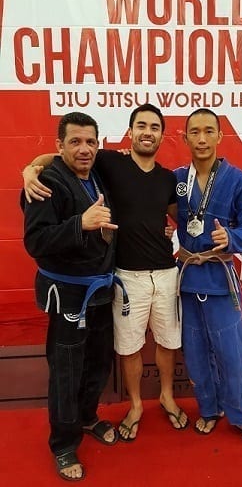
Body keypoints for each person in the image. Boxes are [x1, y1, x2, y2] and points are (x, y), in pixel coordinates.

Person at [22, 103, 189, 443]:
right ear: (129, 131)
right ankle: (92, 429)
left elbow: (173, 215)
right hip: (100, 285)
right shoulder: (90, 168)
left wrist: (170, 232)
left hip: (135, 279)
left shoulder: (154, 176)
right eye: (141, 125)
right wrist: (29, 170)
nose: (84, 149)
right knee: (96, 359)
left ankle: (118, 410)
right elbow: (55, 162)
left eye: (154, 127)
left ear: (162, 134)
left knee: (129, 354)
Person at [21, 112, 120, 481]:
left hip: (99, 291)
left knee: (98, 362)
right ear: (59, 145)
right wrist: (81, 223)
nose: (84, 149)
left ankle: (87, 416)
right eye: (75, 142)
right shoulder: (46, 182)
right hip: (67, 296)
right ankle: (63, 444)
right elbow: (35, 241)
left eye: (90, 142)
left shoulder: (96, 172)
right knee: (66, 371)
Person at [174, 108, 242, 450]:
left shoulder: (237, 180)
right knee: (196, 354)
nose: (201, 138)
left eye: (208, 131)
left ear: (219, 136)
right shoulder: (176, 180)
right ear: (184, 138)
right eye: (194, 132)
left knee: (232, 354)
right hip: (187, 282)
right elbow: (143, 191)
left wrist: (230, 238)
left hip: (219, 279)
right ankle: (210, 409)